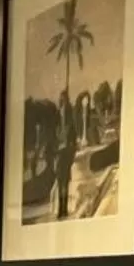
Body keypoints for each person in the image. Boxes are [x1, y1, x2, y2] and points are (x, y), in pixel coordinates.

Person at [54, 92, 78, 220]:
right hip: (60, 153)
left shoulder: (70, 123)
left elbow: (74, 142)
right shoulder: (58, 122)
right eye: (61, 101)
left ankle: (63, 209)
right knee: (60, 182)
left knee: (64, 182)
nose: (62, 103)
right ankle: (61, 209)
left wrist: (71, 152)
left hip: (66, 154)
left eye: (63, 101)